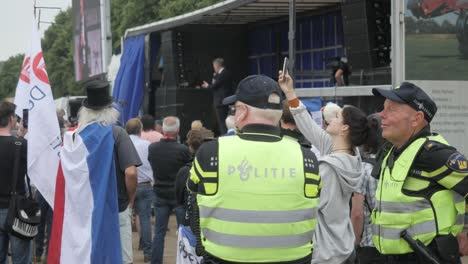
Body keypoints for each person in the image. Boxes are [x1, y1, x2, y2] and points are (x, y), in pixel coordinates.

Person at [188, 75, 321, 263]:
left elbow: (192, 207)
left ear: (242, 111)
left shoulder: (211, 153)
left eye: (234, 109)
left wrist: (204, 249)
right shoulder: (307, 158)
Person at [279, 71, 369, 264]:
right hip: (342, 245)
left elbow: (309, 206)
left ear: (345, 128)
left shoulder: (329, 167)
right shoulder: (351, 156)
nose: (330, 119)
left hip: (324, 253)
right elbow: (308, 126)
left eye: (337, 117)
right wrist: (290, 92)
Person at [371, 82, 467, 263]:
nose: (381, 115)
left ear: (416, 119)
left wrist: (465, 232)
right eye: (383, 108)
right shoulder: (390, 152)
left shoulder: (433, 154)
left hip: (428, 257)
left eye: (391, 110)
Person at [77, 80, 141, 264]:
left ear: (85, 111)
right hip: (116, 207)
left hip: (87, 209)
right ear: (110, 109)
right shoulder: (118, 133)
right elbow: (130, 173)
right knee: (120, 258)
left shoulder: (77, 137)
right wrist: (129, 200)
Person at [148, 116, 191, 264]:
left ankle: (155, 261)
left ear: (163, 129)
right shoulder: (183, 150)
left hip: (159, 192)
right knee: (183, 231)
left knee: (159, 233)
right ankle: (184, 260)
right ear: (177, 130)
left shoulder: (153, 148)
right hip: (178, 195)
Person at [350, 114, 390, 264]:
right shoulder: (396, 164)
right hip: (395, 244)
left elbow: (357, 214)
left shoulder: (363, 168)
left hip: (370, 245)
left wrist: (355, 243)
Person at [0, 102, 31, 264]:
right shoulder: (21, 144)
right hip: (18, 209)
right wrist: (21, 136)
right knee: (21, 259)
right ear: (12, 119)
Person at [126, 118, 154, 263]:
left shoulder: (123, 143)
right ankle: (148, 254)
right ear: (140, 130)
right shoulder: (147, 145)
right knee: (145, 219)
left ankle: (125, 254)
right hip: (144, 185)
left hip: (126, 185)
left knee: (124, 220)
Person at [201, 58, 233, 135]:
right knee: (224, 121)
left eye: (214, 67)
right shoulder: (222, 74)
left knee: (222, 122)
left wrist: (207, 86)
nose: (214, 68)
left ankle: (225, 136)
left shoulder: (223, 74)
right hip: (224, 101)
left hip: (220, 101)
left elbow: (214, 85)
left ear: (217, 66)